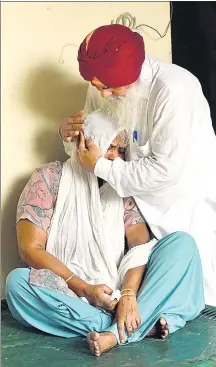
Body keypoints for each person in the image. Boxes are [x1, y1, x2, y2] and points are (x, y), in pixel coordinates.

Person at [6, 110, 204, 357]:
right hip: (69, 292)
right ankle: (135, 325)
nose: (116, 157)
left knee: (182, 245)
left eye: (121, 150)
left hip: (119, 292)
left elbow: (139, 247)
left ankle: (117, 329)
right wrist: (85, 288)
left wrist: (129, 295)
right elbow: (30, 248)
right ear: (84, 144)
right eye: (108, 147)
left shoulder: (122, 185)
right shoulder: (48, 178)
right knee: (17, 284)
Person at [60, 23, 216, 307]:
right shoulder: (104, 85)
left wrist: (102, 168)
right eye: (97, 86)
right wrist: (70, 137)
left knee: (198, 296)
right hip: (134, 202)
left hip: (183, 202)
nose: (102, 94)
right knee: (144, 290)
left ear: (129, 74)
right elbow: (92, 138)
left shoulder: (174, 89)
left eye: (107, 87)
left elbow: (166, 171)